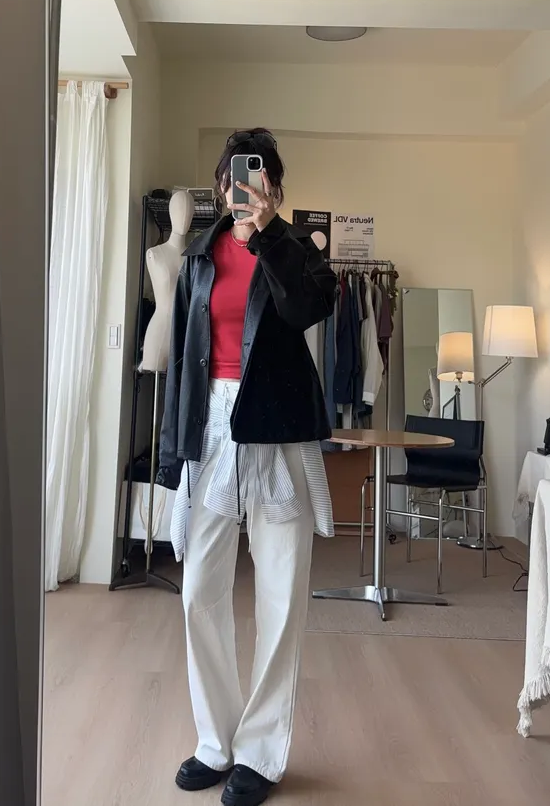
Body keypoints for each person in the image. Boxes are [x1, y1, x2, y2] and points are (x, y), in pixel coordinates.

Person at [156, 128, 337, 806]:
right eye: (234, 176)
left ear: (275, 189)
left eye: (259, 178)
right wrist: (174, 452)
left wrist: (268, 237)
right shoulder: (199, 256)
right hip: (212, 427)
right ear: (219, 185)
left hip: (277, 432)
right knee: (199, 589)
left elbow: (307, 307)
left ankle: (260, 752)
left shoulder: (299, 250)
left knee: (280, 594)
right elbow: (184, 362)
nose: (246, 187)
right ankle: (217, 740)